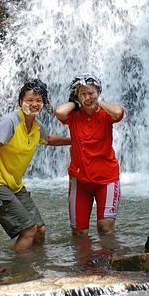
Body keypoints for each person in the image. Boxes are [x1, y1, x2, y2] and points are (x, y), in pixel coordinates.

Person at [0, 79, 70, 253]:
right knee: (29, 230)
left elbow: (48, 139)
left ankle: (36, 263)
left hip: (14, 185)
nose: (34, 104)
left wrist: (74, 140)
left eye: (39, 101)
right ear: (20, 102)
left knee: (40, 231)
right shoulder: (10, 122)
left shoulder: (36, 126)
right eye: (29, 100)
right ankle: (19, 272)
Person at [54, 73, 125, 236]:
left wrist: (98, 101)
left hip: (106, 179)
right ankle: (83, 262)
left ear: (99, 92)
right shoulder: (73, 115)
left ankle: (109, 260)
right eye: (83, 94)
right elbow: (59, 112)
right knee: (79, 232)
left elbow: (119, 113)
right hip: (80, 181)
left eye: (91, 93)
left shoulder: (106, 113)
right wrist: (75, 102)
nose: (87, 97)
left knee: (105, 227)